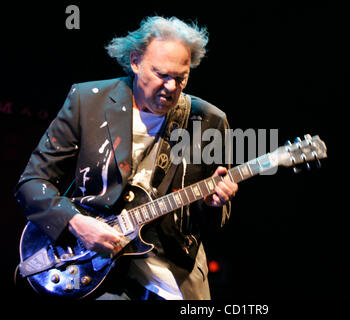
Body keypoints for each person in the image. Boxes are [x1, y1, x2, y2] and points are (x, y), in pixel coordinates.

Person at [14, 16, 238, 300]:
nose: (171, 87)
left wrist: (213, 203)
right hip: (94, 262)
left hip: (173, 268)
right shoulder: (88, 100)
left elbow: (214, 223)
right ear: (135, 62)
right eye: (161, 75)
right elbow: (32, 183)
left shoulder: (208, 120)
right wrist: (75, 222)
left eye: (180, 77)